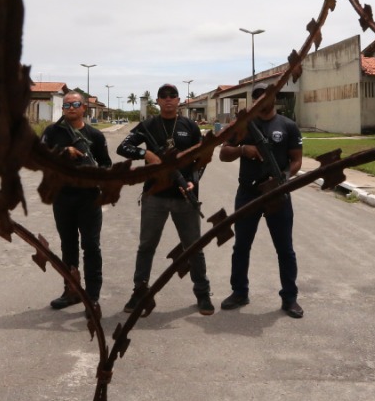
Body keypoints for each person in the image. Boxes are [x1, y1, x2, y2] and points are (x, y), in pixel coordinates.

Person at [116, 83, 215, 316]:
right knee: (146, 247)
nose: (168, 100)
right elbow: (123, 147)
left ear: (178, 100)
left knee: (194, 247)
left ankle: (202, 293)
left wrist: (193, 181)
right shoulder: (148, 125)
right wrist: (146, 154)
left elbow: (201, 159)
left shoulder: (189, 126)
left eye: (172, 96)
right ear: (158, 101)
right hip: (154, 196)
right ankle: (139, 292)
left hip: (184, 197)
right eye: (163, 96)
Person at [217, 86, 304, 318]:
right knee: (241, 246)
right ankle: (239, 292)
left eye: (265, 95)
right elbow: (223, 154)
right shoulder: (243, 126)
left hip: (277, 194)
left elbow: (297, 160)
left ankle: (289, 297)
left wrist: (282, 178)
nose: (260, 100)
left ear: (274, 97)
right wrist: (243, 149)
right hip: (248, 193)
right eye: (256, 97)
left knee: (285, 248)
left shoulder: (288, 126)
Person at [40, 91, 112, 310]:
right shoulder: (52, 132)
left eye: (75, 104)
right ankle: (71, 290)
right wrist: (63, 152)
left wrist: (98, 176)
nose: (71, 108)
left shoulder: (95, 136)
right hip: (63, 196)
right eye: (67, 105)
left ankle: (92, 296)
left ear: (84, 108)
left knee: (91, 246)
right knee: (68, 245)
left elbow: (107, 164)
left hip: (89, 197)